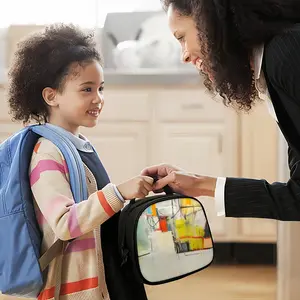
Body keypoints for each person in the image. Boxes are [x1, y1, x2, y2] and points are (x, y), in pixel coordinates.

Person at [8, 24, 153, 300]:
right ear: (51, 96)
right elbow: (64, 223)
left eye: (100, 88)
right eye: (86, 89)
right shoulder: (47, 154)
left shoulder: (78, 145)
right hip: (76, 287)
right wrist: (120, 192)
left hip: (104, 274)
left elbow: (96, 209)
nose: (98, 99)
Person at [142, 0, 300, 221]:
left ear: (211, 22)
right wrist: (199, 184)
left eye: (182, 37)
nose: (184, 56)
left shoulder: (287, 54)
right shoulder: (274, 60)